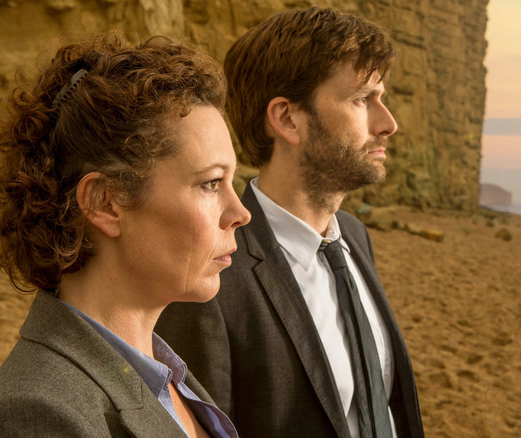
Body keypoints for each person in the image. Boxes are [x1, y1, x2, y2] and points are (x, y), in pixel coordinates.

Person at [0, 32, 250, 437]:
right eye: (210, 183)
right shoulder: (33, 415)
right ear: (104, 202)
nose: (240, 213)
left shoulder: (170, 379)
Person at [157, 6, 424, 438]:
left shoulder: (352, 237)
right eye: (362, 99)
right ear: (286, 118)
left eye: (382, 98)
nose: (387, 123)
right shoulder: (212, 274)